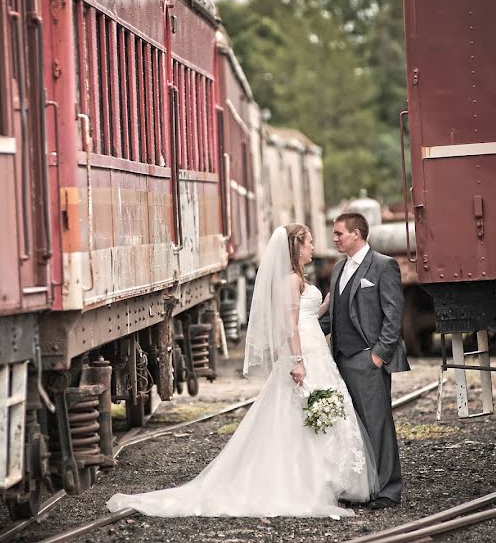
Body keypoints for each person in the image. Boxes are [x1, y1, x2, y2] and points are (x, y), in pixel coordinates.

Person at [106, 224, 378, 518]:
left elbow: (305, 314)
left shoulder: (298, 278)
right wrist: (297, 361)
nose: (314, 247)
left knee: (311, 414)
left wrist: (325, 304)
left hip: (315, 350)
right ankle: (307, 483)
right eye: (310, 242)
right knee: (302, 415)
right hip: (305, 354)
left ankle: (326, 480)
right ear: (297, 246)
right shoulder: (289, 280)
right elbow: (289, 326)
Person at [318, 212, 410, 509]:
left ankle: (388, 489)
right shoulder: (338, 269)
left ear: (356, 234)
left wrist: (378, 356)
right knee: (351, 426)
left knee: (376, 424)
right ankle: (362, 487)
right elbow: (335, 315)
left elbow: (394, 315)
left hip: (368, 360)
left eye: (339, 233)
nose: (335, 239)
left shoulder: (384, 266)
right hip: (341, 360)